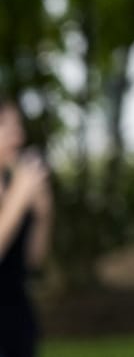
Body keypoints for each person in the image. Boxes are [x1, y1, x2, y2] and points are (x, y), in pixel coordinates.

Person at [0, 98, 50, 357]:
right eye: (8, 129)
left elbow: (33, 261)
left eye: (19, 129)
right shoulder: (18, 188)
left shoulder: (14, 182)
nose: (18, 138)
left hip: (17, 317)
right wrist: (18, 200)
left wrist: (42, 216)